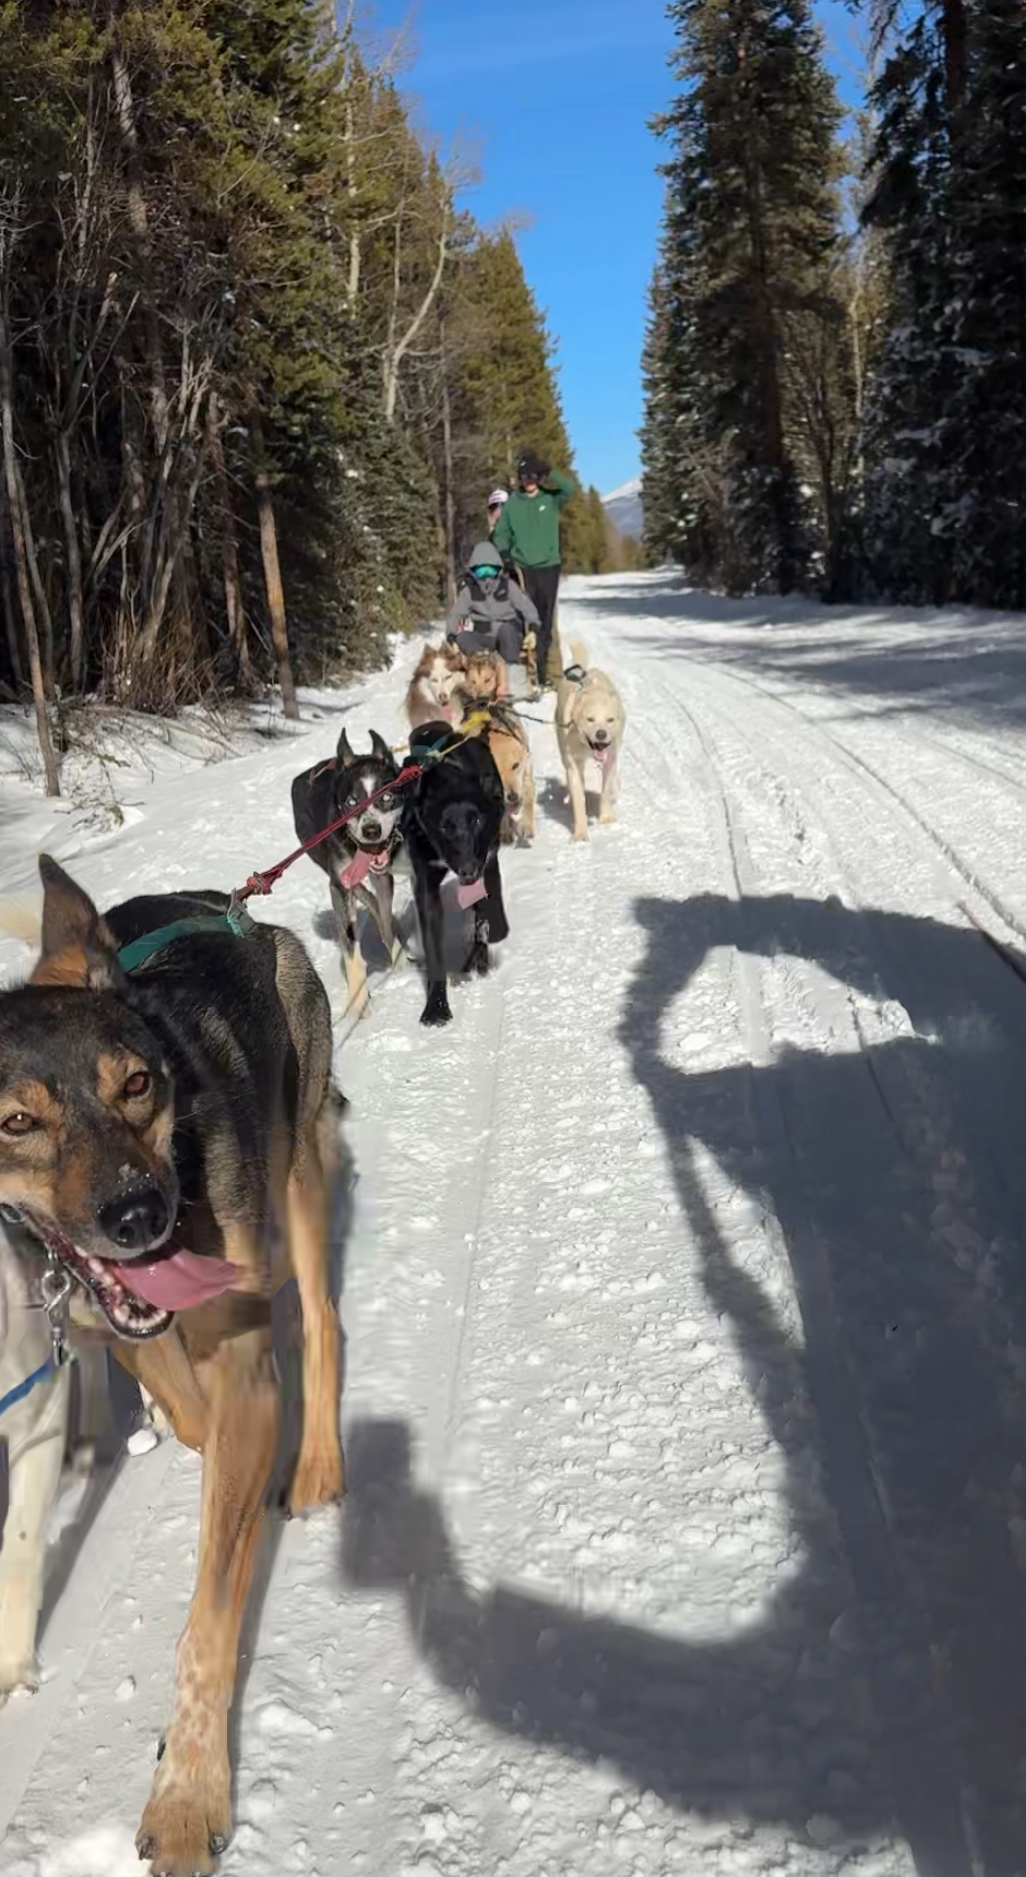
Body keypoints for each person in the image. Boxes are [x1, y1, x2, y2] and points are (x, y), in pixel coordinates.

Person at [491, 451, 575, 688]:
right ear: (519, 478)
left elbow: (568, 489)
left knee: (547, 623)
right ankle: (531, 675)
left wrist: (549, 471)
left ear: (539, 476)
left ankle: (549, 675)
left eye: (533, 475)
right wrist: (504, 553)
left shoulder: (550, 499)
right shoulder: (513, 504)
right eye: (525, 476)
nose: (529, 480)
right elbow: (501, 533)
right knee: (530, 622)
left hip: (549, 567)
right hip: (524, 570)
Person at [446, 541, 540, 671]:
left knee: (506, 631)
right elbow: (456, 614)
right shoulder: (470, 591)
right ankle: (480, 664)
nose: (487, 576)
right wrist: (451, 635)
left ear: (498, 570)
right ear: (474, 571)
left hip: (508, 635)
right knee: (463, 637)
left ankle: (511, 670)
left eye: (491, 570)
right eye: (481, 571)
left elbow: (527, 607)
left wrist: (533, 629)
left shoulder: (508, 586)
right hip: (483, 636)